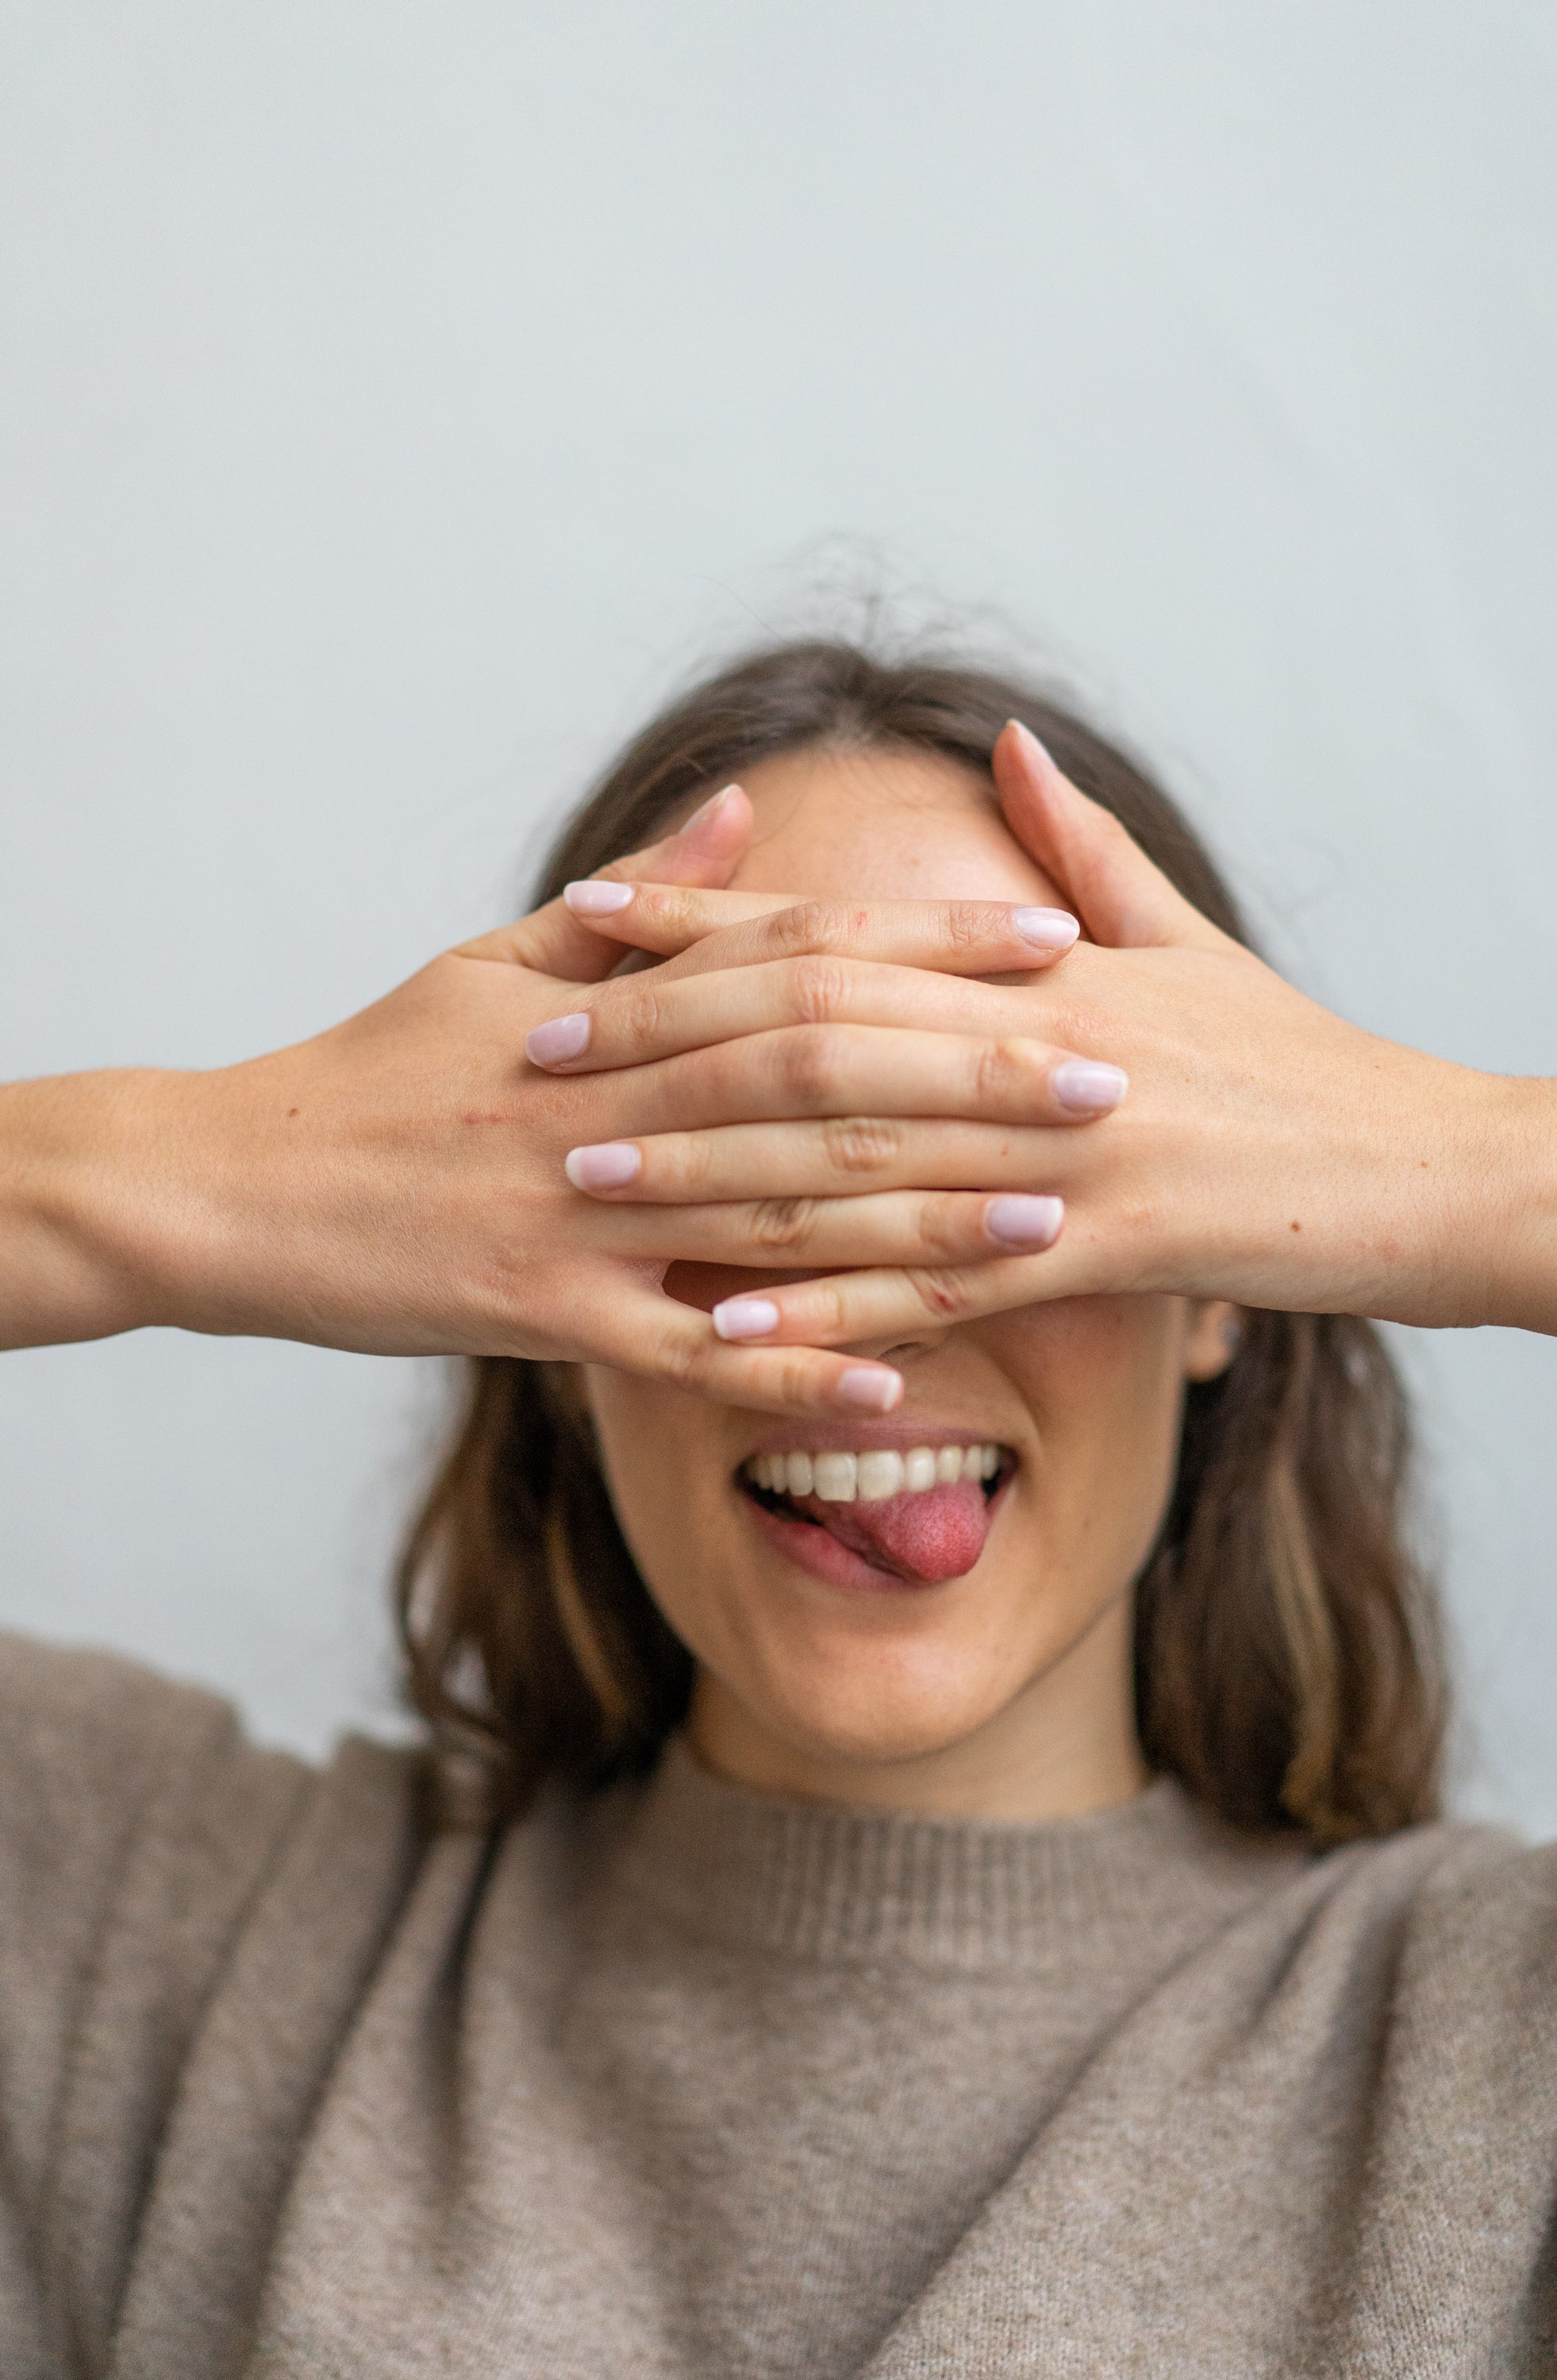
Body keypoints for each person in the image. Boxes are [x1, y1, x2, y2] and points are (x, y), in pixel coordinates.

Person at [0, 637, 1553, 2378]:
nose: (867, 1324)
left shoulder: (1497, 2056)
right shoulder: (155, 1935)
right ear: (518, 1290)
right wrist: (187, 1178)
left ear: (1231, 1267)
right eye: (726, 1147)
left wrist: (1475, 1165)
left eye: (1004, 1165)